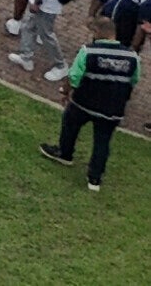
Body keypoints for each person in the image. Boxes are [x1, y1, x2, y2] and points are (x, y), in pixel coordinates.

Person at [45, 19, 139, 186]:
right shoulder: (132, 56)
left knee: (70, 123)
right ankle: (94, 178)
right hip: (113, 108)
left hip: (85, 103)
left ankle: (65, 153)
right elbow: (134, 79)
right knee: (103, 141)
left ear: (98, 32)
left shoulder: (88, 51)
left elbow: (74, 77)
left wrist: (65, 91)